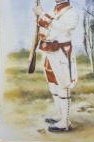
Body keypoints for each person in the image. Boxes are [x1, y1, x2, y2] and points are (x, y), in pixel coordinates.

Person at [34, 0, 79, 132]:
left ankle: (65, 122)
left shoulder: (72, 13)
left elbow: (60, 26)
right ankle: (59, 115)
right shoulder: (52, 11)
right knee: (53, 84)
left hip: (62, 53)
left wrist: (41, 14)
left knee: (63, 85)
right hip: (49, 53)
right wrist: (39, 16)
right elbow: (44, 27)